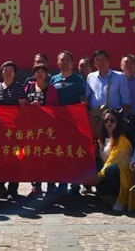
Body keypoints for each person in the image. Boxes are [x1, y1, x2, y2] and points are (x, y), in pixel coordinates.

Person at [50, 50, 86, 197]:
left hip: (73, 124)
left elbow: (83, 100)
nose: (64, 62)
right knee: (59, 154)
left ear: (72, 63)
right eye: (62, 60)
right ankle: (60, 185)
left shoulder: (78, 80)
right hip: (57, 124)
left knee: (72, 153)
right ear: (57, 63)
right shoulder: (53, 79)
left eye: (67, 60)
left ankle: (74, 184)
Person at [0, 61, 27, 201]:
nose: (8, 73)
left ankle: (13, 189)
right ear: (1, 73)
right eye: (5, 71)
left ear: (15, 73)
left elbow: (23, 109)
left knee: (15, 160)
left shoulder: (19, 88)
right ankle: (1, 187)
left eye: (11, 71)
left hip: (14, 131)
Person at [95, 108, 135, 213]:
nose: (108, 123)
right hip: (106, 173)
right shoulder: (101, 140)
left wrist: (98, 175)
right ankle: (111, 198)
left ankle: (121, 200)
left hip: (120, 174)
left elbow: (113, 160)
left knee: (110, 170)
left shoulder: (122, 140)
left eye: (112, 120)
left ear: (117, 122)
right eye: (106, 121)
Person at [25, 63, 59, 198]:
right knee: (34, 157)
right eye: (37, 71)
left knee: (48, 156)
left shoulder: (51, 89)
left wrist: (41, 108)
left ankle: (51, 186)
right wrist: (30, 106)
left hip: (47, 128)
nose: (39, 74)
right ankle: (36, 186)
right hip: (32, 128)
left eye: (42, 72)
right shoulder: (29, 86)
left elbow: (55, 109)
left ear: (46, 74)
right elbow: (23, 104)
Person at [86, 49, 130, 134]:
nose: (101, 62)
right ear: (94, 63)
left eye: (103, 59)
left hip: (114, 118)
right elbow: (88, 97)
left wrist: (124, 119)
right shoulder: (90, 77)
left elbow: (126, 101)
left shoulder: (120, 77)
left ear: (108, 61)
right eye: (98, 60)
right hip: (97, 118)